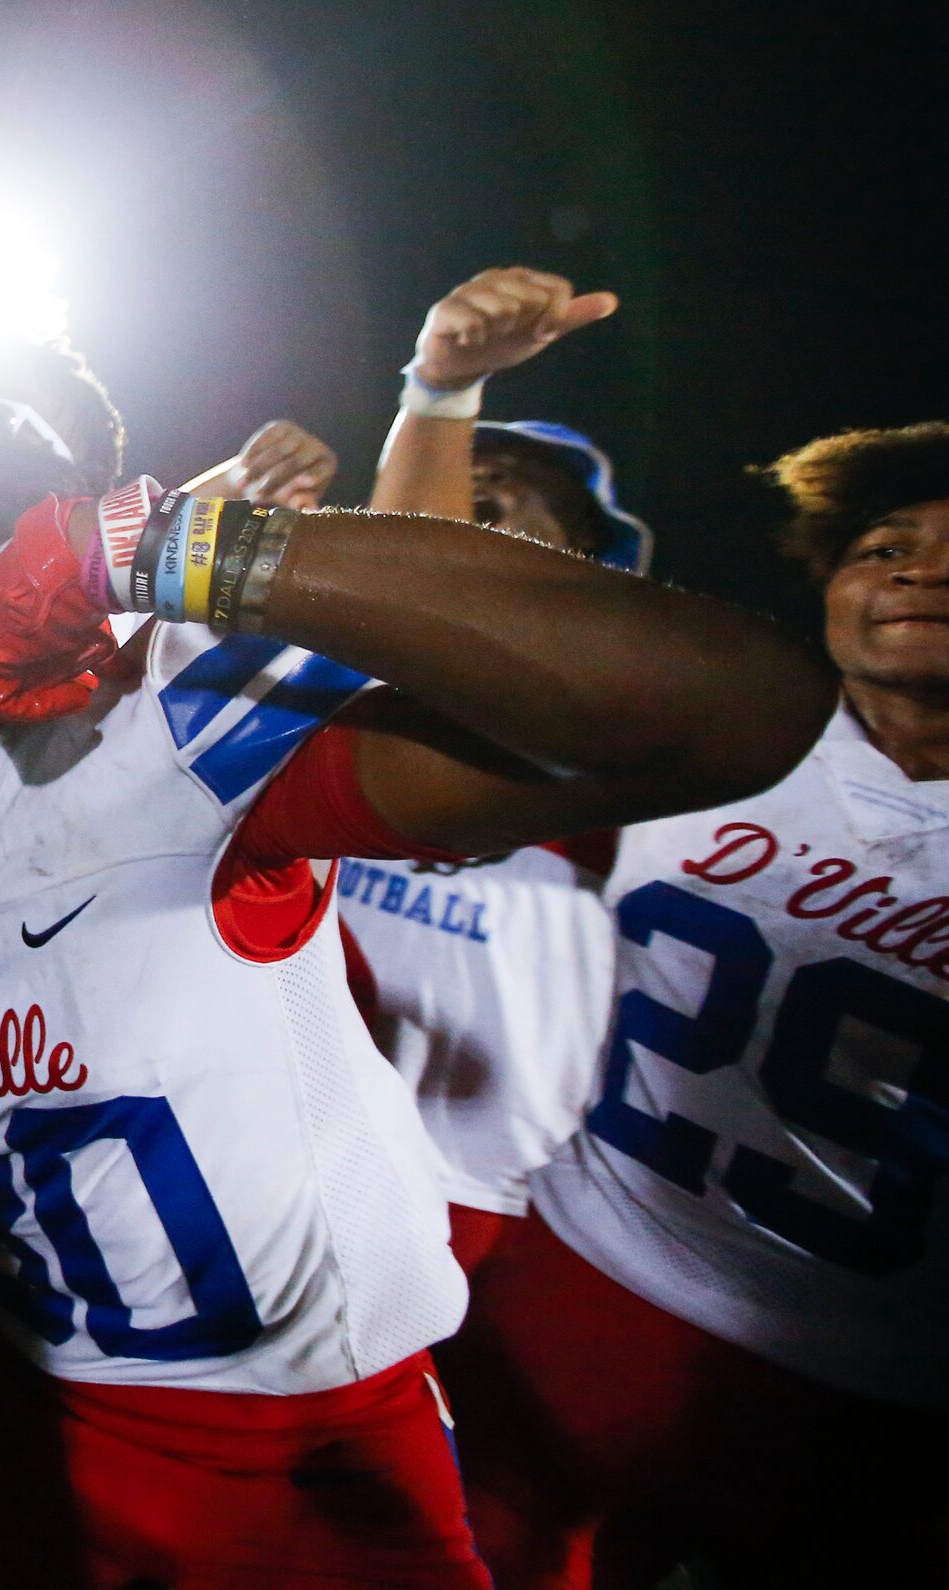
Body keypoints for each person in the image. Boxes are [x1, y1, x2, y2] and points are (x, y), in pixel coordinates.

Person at [0, 352, 827, 1585]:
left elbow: (744, 709)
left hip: (298, 1462)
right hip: (15, 1391)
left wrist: (155, 549)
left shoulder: (159, 748)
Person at [450, 419, 949, 1587]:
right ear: (824, 580)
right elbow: (453, 664)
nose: (921, 573)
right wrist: (441, 393)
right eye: (884, 546)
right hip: (573, 1284)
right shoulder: (709, 724)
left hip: (863, 1391)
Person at [339, 266, 644, 1273]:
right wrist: (438, 395)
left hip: (473, 1211)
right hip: (242, 1148)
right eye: (455, 487)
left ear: (593, 576)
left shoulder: (647, 770)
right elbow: (408, 577)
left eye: (505, 504)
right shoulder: (315, 700)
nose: (470, 509)